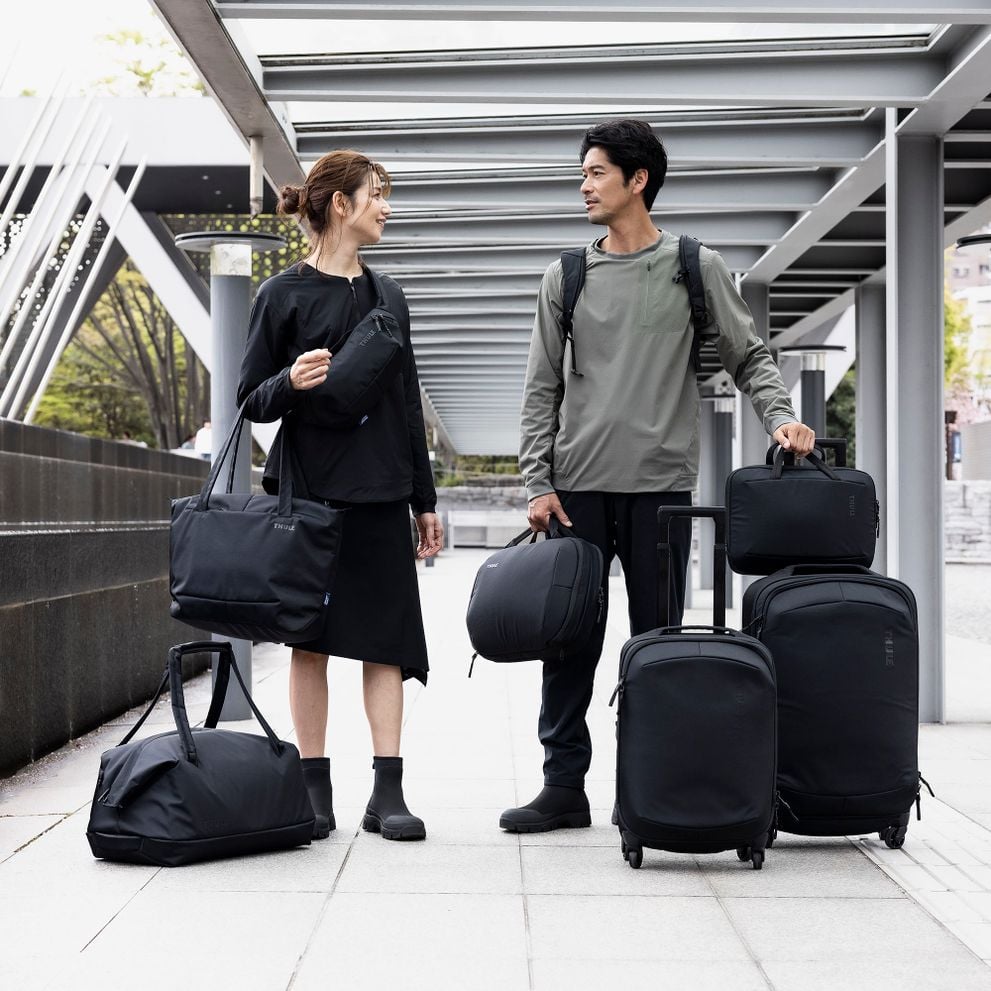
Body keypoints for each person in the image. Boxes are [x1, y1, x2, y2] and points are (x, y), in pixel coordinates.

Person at [504, 119, 815, 833]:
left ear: (636, 180)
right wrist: (535, 481)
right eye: (581, 173)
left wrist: (779, 418)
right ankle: (562, 787)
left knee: (658, 646)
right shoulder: (567, 275)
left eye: (594, 173)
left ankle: (649, 787)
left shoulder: (693, 266)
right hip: (574, 491)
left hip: (661, 492)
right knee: (568, 644)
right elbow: (539, 390)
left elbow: (749, 354)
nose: (582, 185)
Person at [237, 150, 444, 842]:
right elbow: (249, 401)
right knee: (311, 643)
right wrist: (289, 382)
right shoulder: (281, 296)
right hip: (311, 496)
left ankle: (388, 792)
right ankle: (313, 788)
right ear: (339, 206)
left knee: (385, 642)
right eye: (375, 195)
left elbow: (407, 406)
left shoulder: (390, 299)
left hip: (382, 491)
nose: (385, 206)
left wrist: (424, 498)